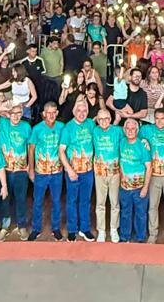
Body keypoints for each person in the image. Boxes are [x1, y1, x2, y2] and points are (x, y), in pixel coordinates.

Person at [0, 101, 32, 240]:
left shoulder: (26, 126)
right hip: (5, 169)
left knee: (21, 199)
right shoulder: (3, 123)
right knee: (4, 198)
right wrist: (1, 108)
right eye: (13, 113)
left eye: (19, 113)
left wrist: (29, 166)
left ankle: (21, 226)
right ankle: (4, 226)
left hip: (20, 169)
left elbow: (29, 146)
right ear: (9, 114)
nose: (16, 116)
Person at [59, 95, 97, 241]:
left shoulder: (91, 125)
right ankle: (72, 229)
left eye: (84, 110)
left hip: (88, 171)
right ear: (74, 111)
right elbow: (61, 150)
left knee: (85, 200)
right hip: (73, 171)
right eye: (79, 110)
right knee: (72, 200)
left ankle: (85, 228)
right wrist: (69, 169)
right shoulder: (68, 127)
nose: (82, 113)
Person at [140, 107, 164, 244]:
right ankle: (153, 233)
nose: (159, 121)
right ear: (154, 119)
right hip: (153, 175)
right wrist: (142, 140)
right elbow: (131, 132)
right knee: (152, 205)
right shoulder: (147, 130)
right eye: (157, 119)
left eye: (162, 118)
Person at [28, 101, 65, 240]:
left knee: (56, 201)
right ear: (44, 114)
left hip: (57, 172)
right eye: (48, 113)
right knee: (38, 201)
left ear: (57, 113)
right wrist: (31, 169)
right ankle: (36, 228)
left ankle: (56, 228)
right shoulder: (37, 129)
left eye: (53, 112)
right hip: (40, 172)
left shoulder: (62, 127)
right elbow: (31, 150)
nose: (51, 115)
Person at [117, 116, 153, 243]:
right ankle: (124, 236)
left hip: (139, 188)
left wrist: (145, 188)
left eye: (133, 128)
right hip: (124, 187)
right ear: (124, 129)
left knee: (140, 213)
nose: (130, 131)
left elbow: (149, 168)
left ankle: (140, 237)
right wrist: (122, 175)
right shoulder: (121, 142)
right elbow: (120, 160)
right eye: (128, 128)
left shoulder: (143, 145)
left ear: (137, 131)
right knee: (125, 212)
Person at [91, 107, 124, 242]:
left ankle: (114, 229)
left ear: (110, 120)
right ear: (97, 120)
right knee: (100, 202)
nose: (103, 121)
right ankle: (101, 230)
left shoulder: (118, 131)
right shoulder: (94, 131)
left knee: (115, 202)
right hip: (99, 172)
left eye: (106, 118)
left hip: (115, 172)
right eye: (101, 119)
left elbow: (131, 138)